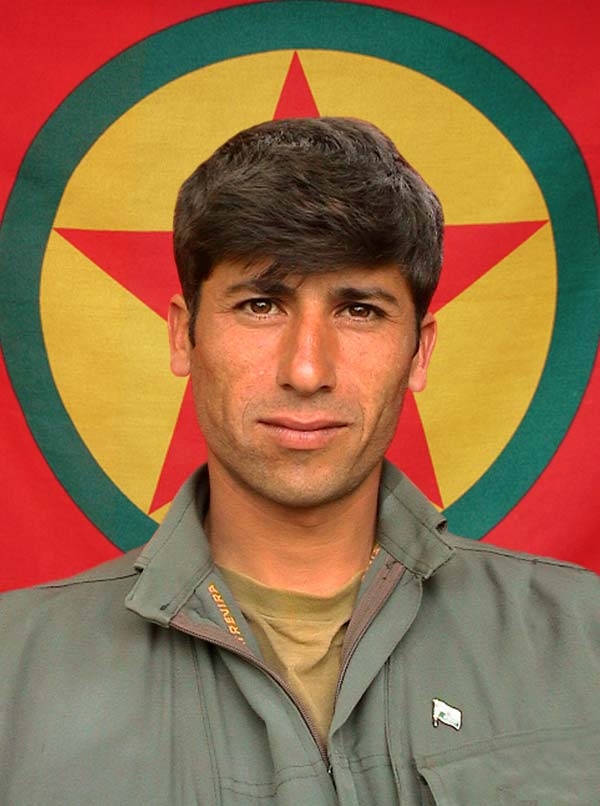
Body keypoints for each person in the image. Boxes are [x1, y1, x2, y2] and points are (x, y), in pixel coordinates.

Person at [0, 117, 597, 805]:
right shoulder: (15, 671)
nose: (308, 370)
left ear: (420, 351)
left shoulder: (584, 639)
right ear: (184, 336)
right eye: (261, 305)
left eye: (359, 311)